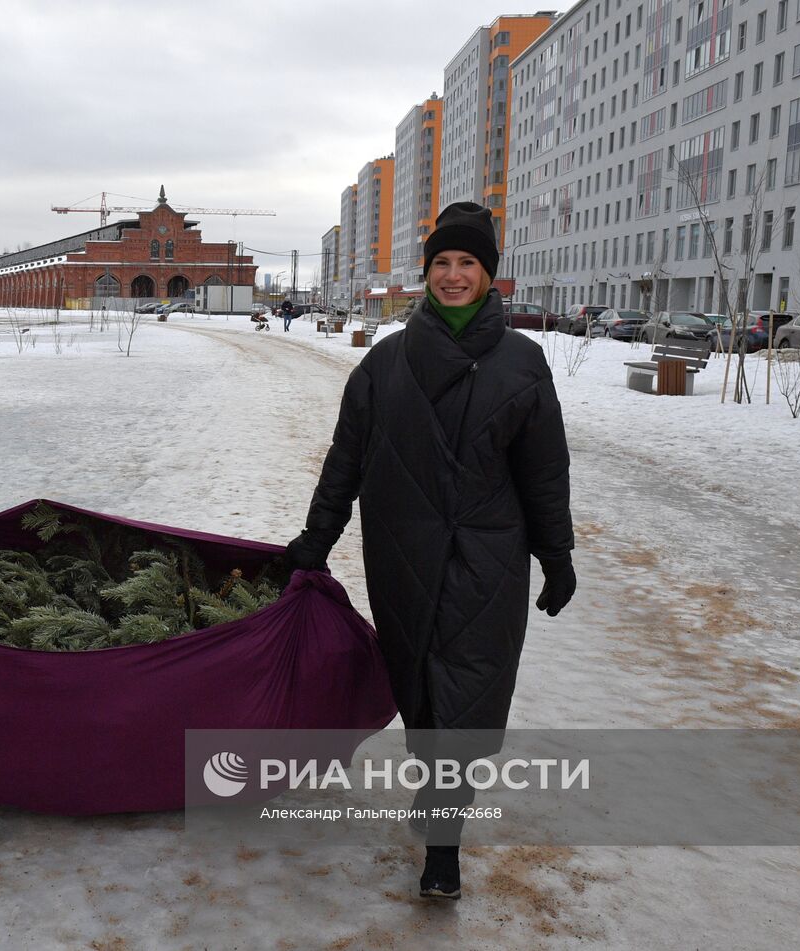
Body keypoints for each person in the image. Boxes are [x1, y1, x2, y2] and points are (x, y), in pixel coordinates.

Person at [284, 202, 576, 899]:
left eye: (466, 263)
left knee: (466, 697)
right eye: (442, 262)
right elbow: (345, 461)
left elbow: (544, 472)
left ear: (488, 275)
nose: (452, 275)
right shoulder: (384, 364)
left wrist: (555, 554)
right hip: (404, 554)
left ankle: (443, 847)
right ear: (426, 273)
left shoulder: (523, 365)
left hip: (489, 559)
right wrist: (315, 538)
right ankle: (435, 795)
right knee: (422, 691)